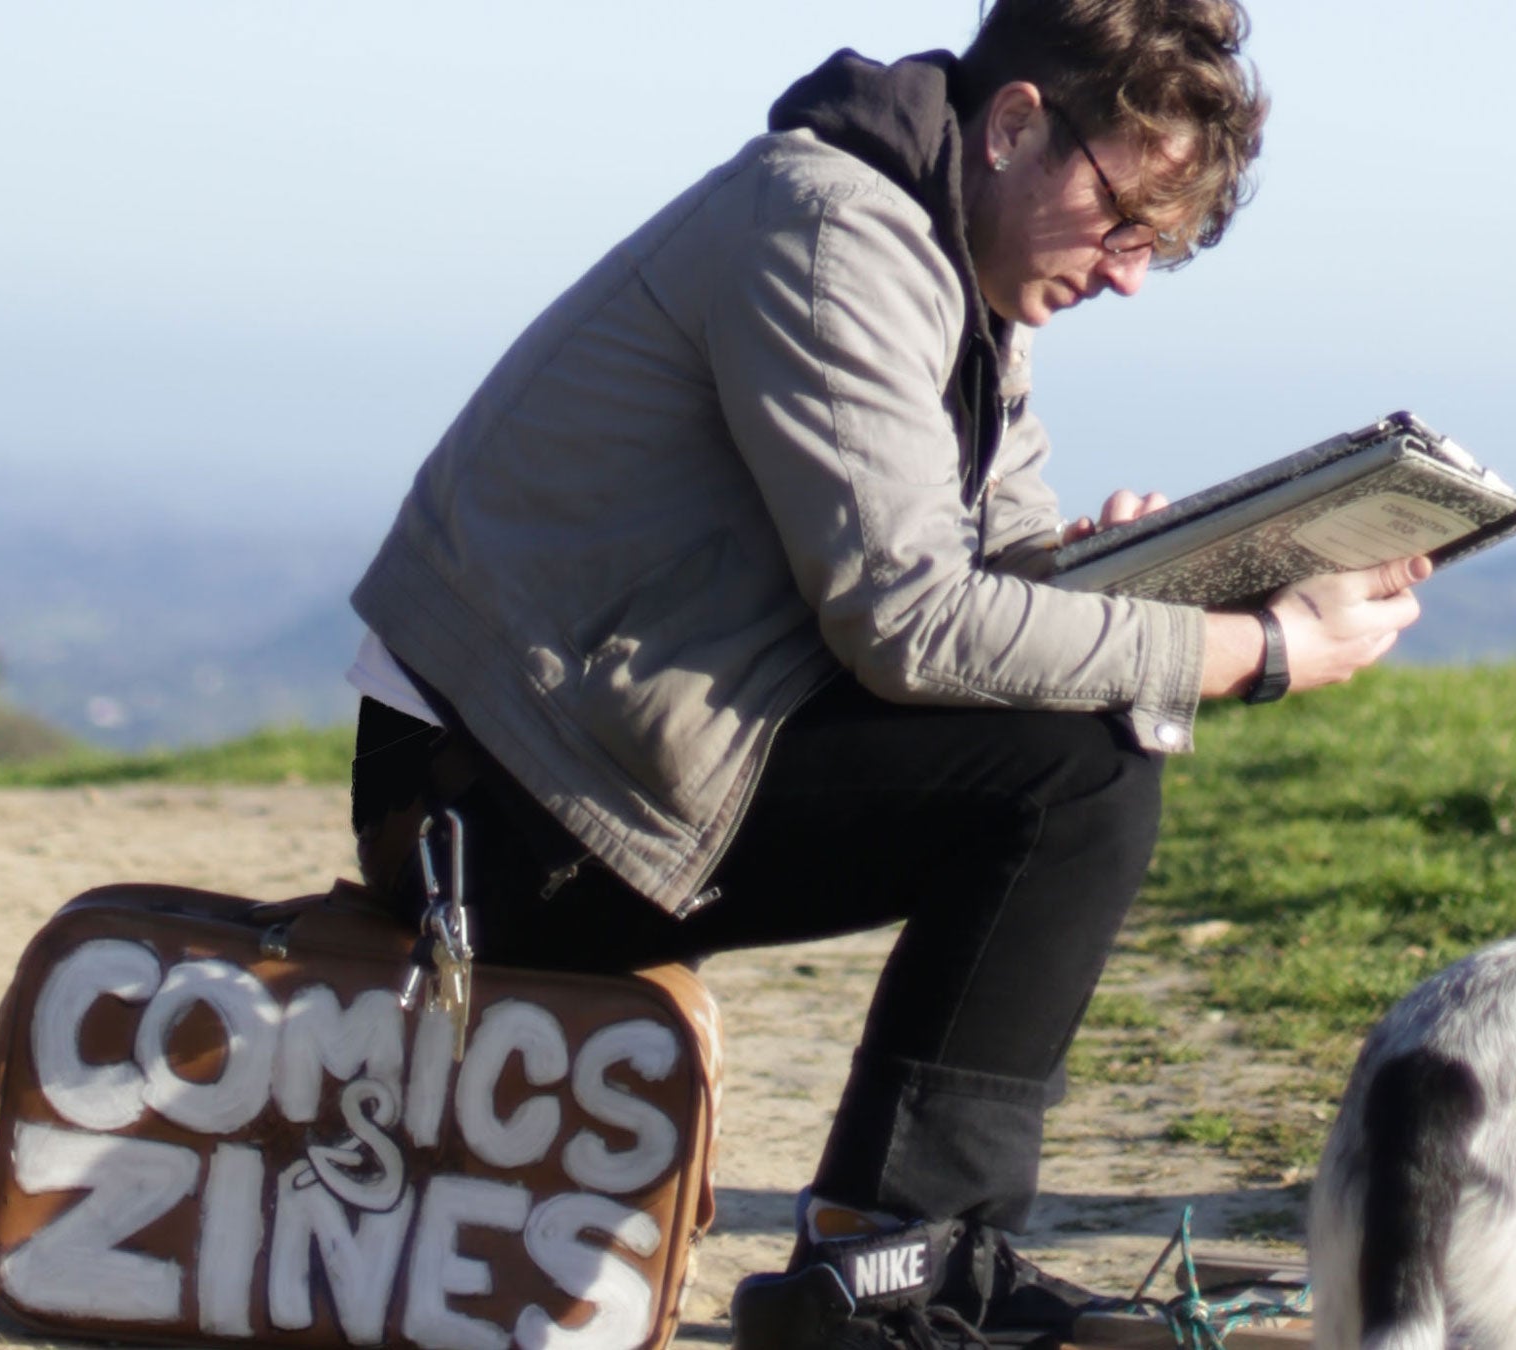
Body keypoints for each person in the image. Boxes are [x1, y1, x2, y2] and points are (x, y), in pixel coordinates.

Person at [343, 1, 1426, 1344]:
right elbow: (909, 623)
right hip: (488, 804)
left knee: (1078, 738)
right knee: (1077, 773)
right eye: (1123, 223)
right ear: (1015, 124)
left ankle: (916, 1249)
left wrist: (1147, 571)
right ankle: (888, 1265)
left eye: (1164, 248)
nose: (1130, 275)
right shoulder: (827, 230)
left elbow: (989, 570)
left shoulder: (953, 268)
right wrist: (1252, 650)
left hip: (602, 750)